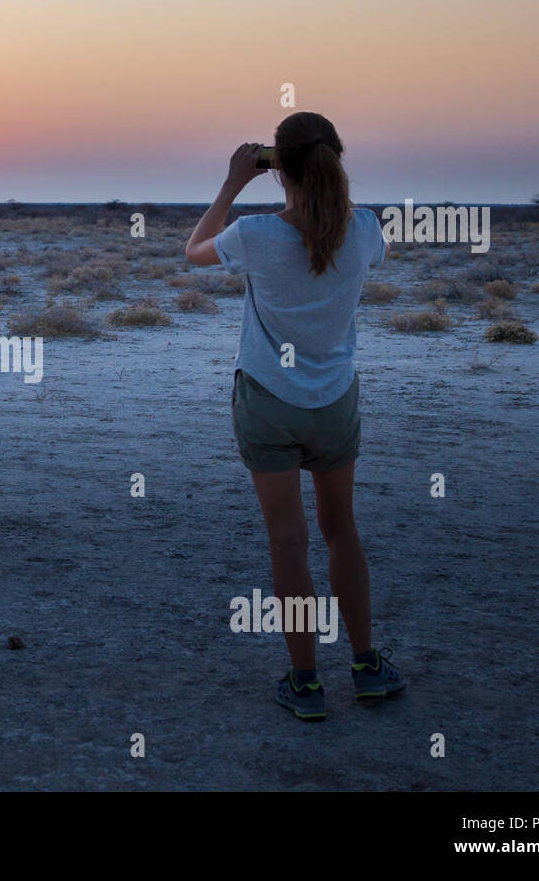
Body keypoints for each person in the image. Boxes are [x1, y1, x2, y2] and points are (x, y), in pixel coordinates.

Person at [184, 111, 405, 721]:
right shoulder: (364, 229)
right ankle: (366, 667)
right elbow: (358, 241)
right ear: (336, 157)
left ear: (278, 166)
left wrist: (233, 184)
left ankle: (305, 682)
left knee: (288, 540)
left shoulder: (254, 235)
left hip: (267, 401)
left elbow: (195, 250)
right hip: (334, 402)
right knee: (343, 530)